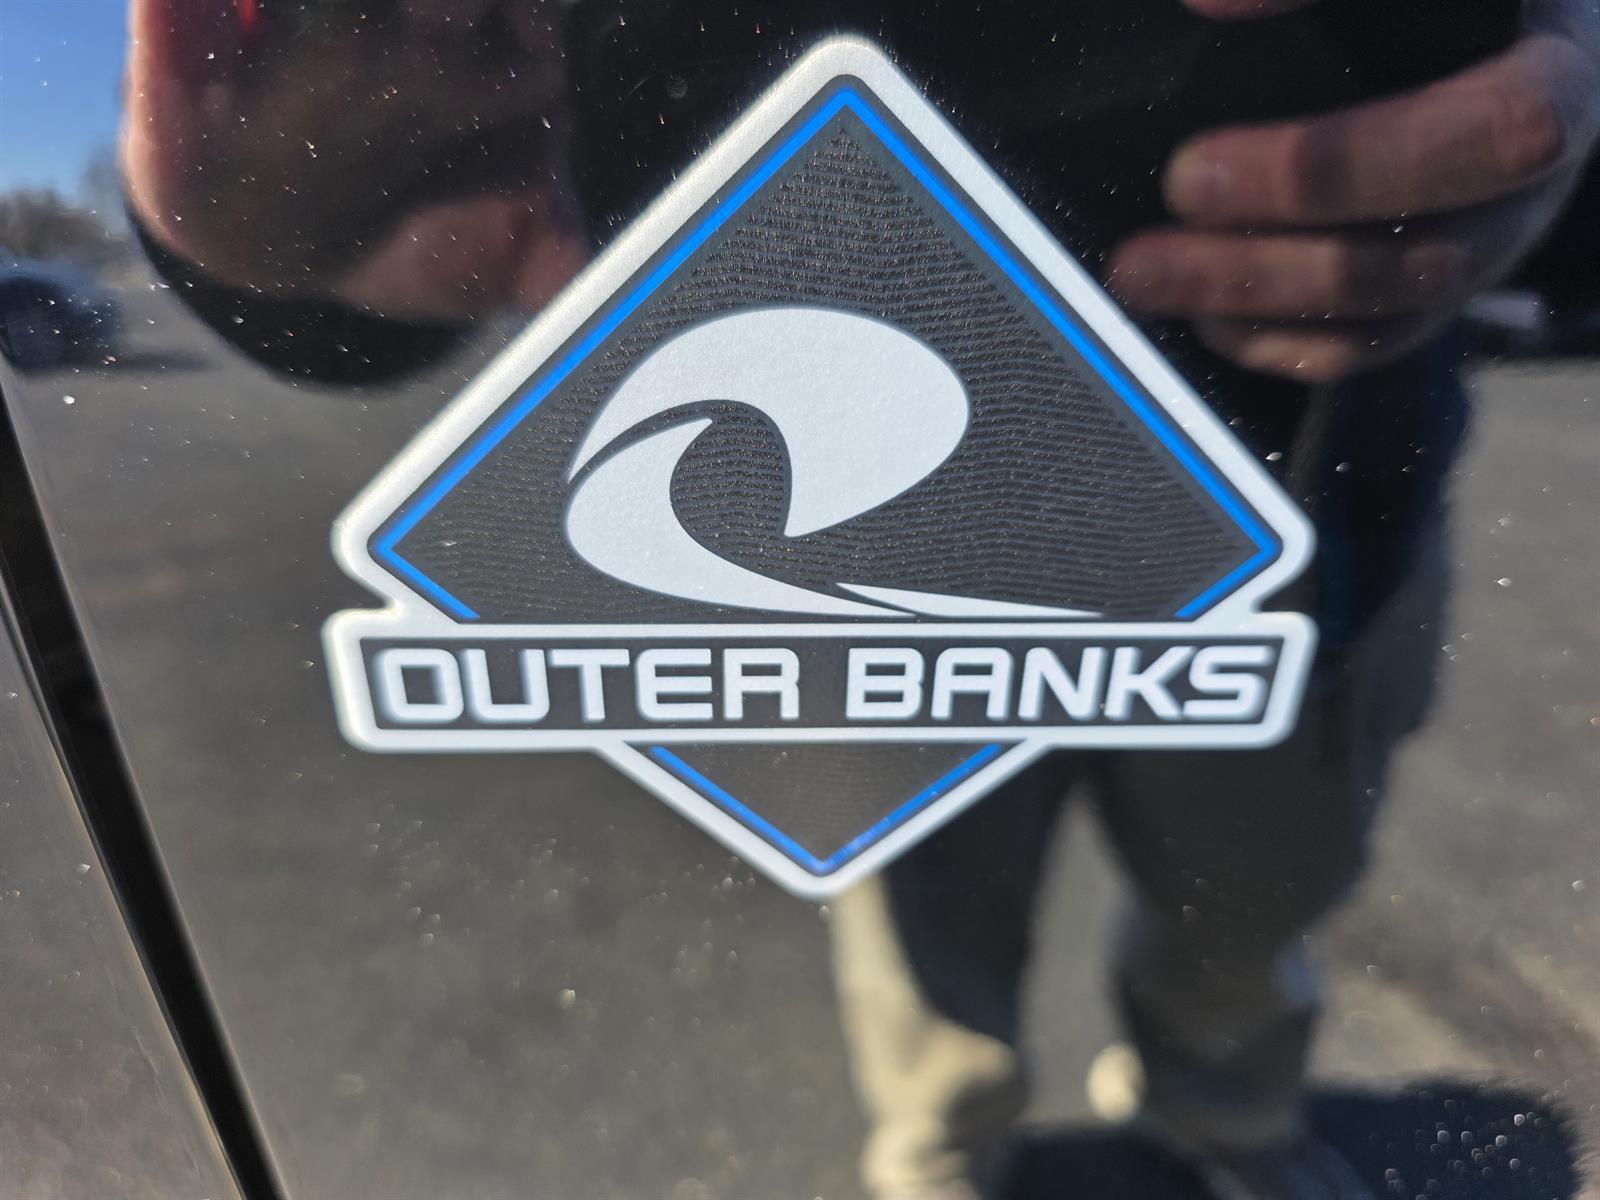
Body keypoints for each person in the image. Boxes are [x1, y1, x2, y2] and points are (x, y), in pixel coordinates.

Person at [120, 2, 1600, 1197]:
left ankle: (1224, 1124)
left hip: (1301, 506)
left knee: (1255, 897)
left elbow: (1533, 135)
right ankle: (943, 1159)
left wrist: (1528, 75)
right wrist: (280, 210)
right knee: (925, 933)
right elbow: (398, 262)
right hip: (874, 581)